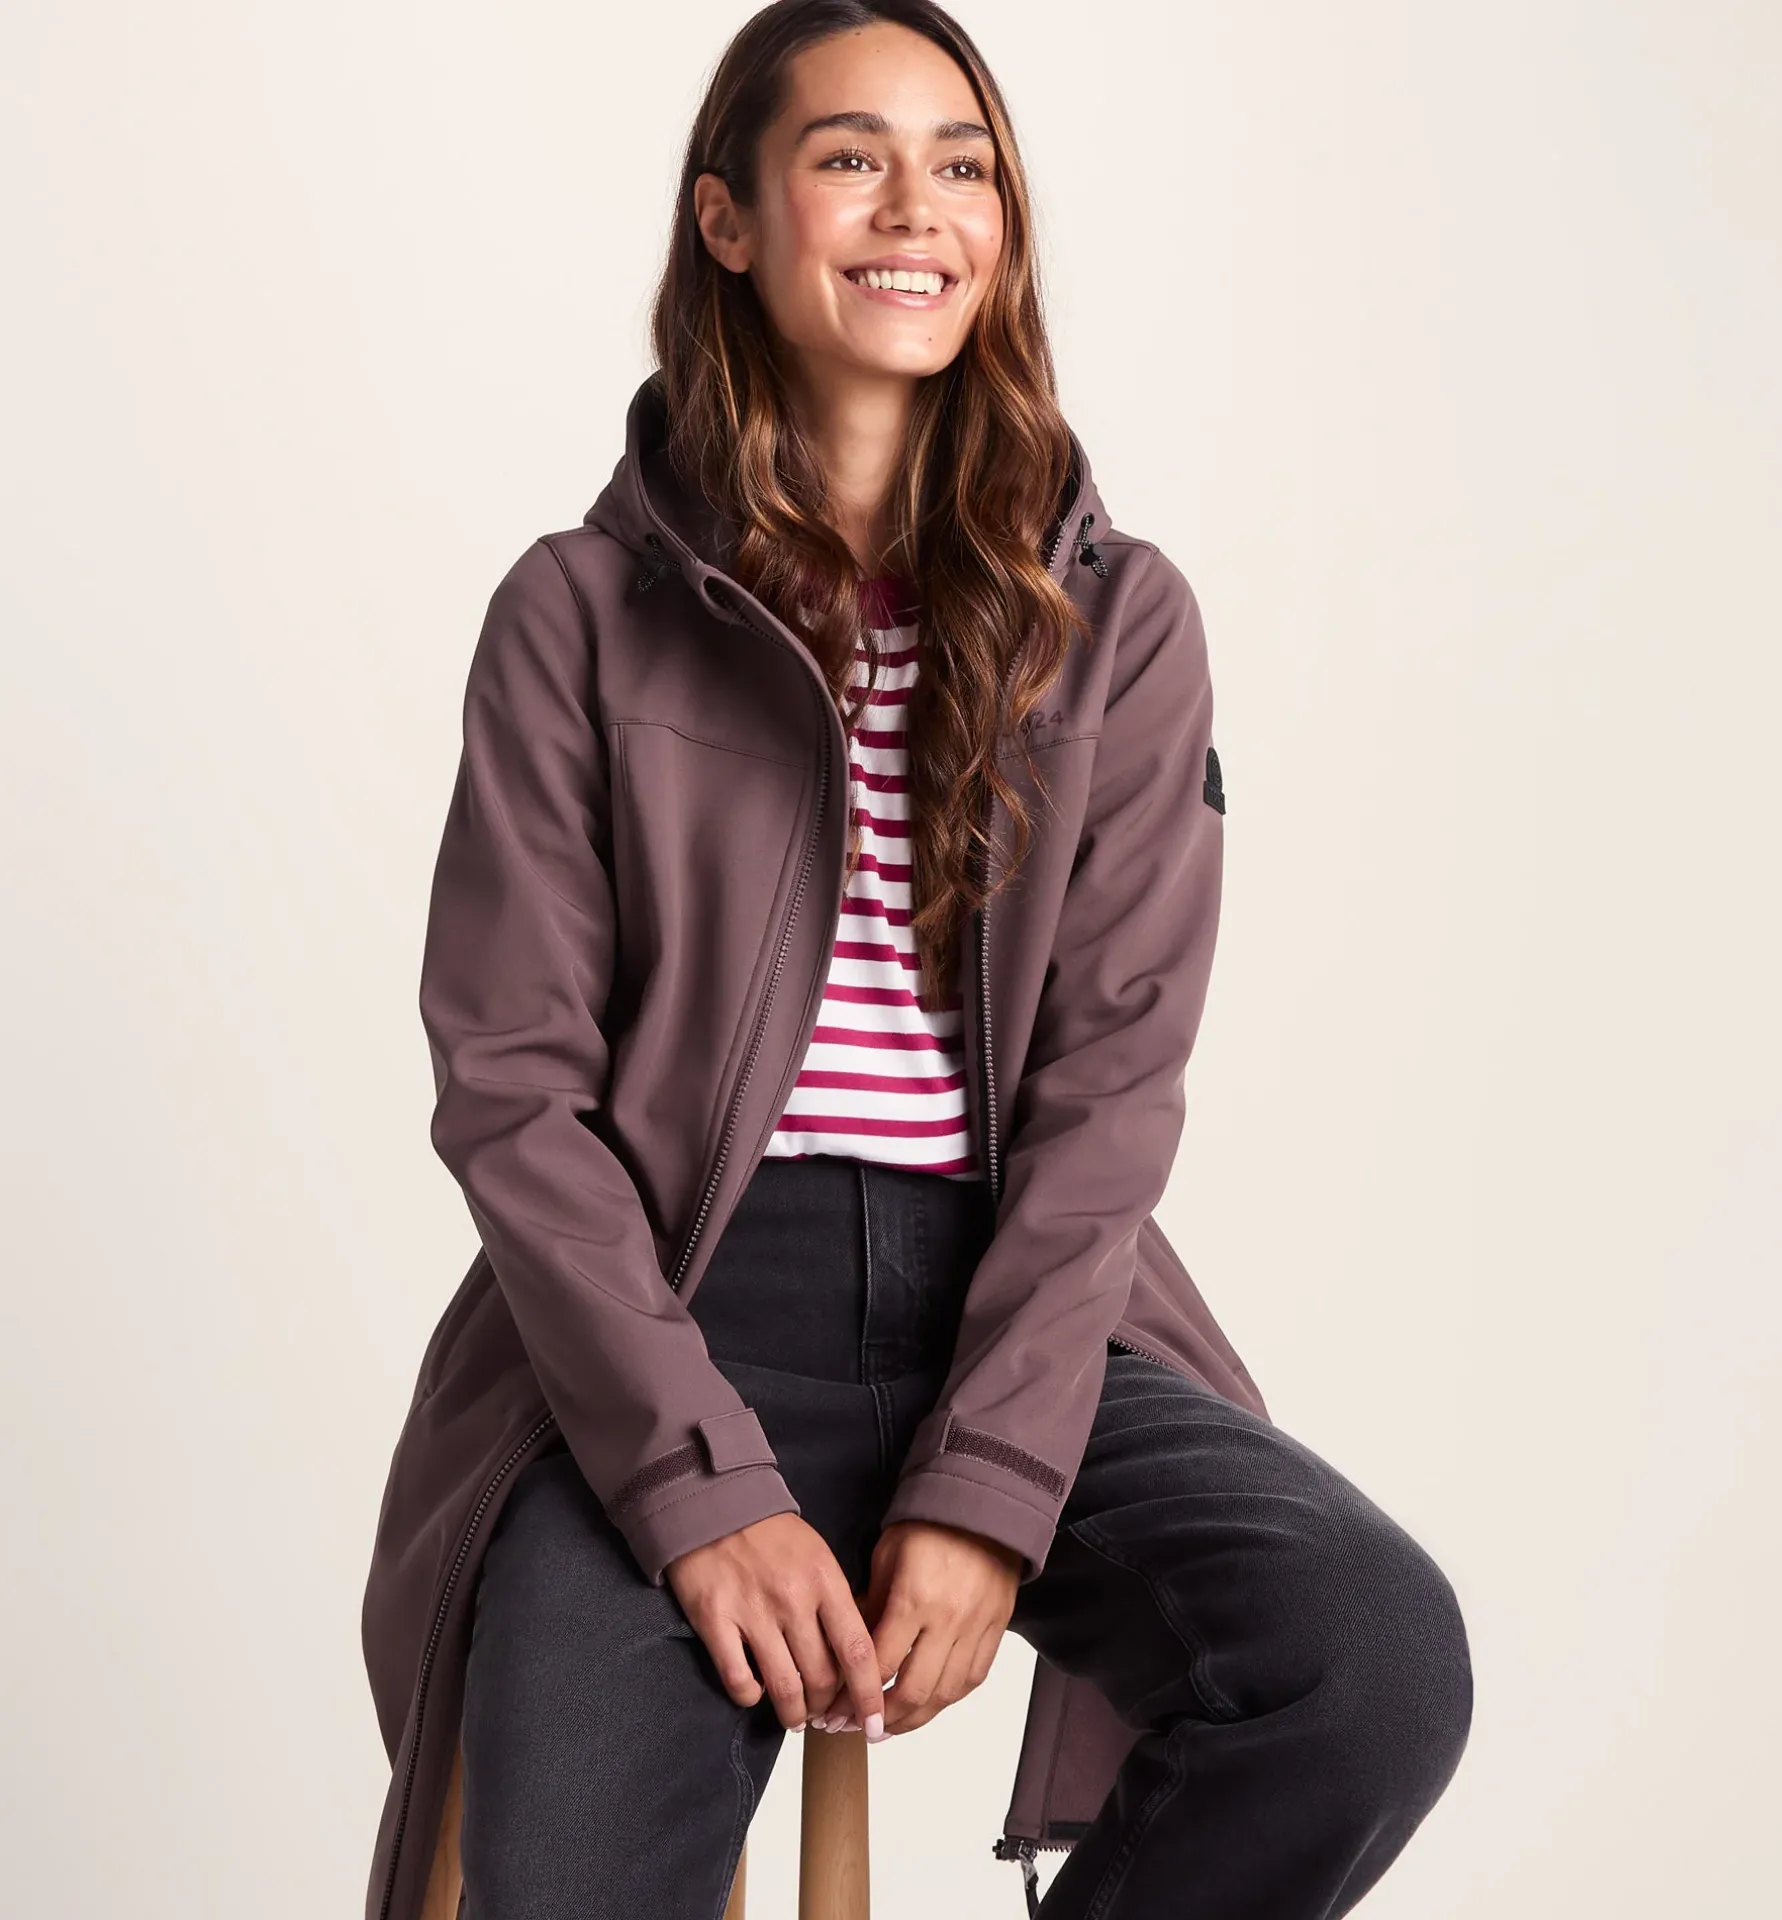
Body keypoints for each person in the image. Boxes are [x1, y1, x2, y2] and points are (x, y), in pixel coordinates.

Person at [358, 5, 1473, 1917]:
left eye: (963, 164)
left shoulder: (1116, 625)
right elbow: (514, 1094)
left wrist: (990, 1483)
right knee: (572, 1857)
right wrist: (699, 1492)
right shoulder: (578, 614)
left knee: (1364, 1661)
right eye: (851, 157)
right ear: (726, 219)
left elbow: (1112, 1094)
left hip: (1021, 1318)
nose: (918, 207)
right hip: (670, 1313)